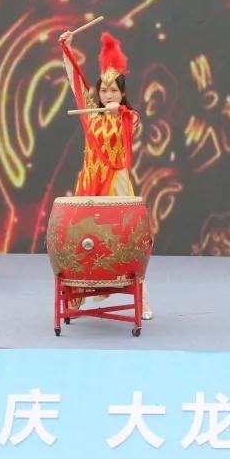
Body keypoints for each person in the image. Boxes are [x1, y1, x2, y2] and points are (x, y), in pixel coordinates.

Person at [59, 30, 152, 320]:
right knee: (84, 236)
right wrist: (67, 49)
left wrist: (118, 110)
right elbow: (75, 82)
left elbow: (130, 119)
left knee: (126, 238)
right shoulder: (90, 114)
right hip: (89, 183)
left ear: (122, 93)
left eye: (113, 91)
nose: (108, 95)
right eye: (104, 91)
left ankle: (142, 299)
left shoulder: (129, 117)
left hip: (117, 183)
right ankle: (76, 294)